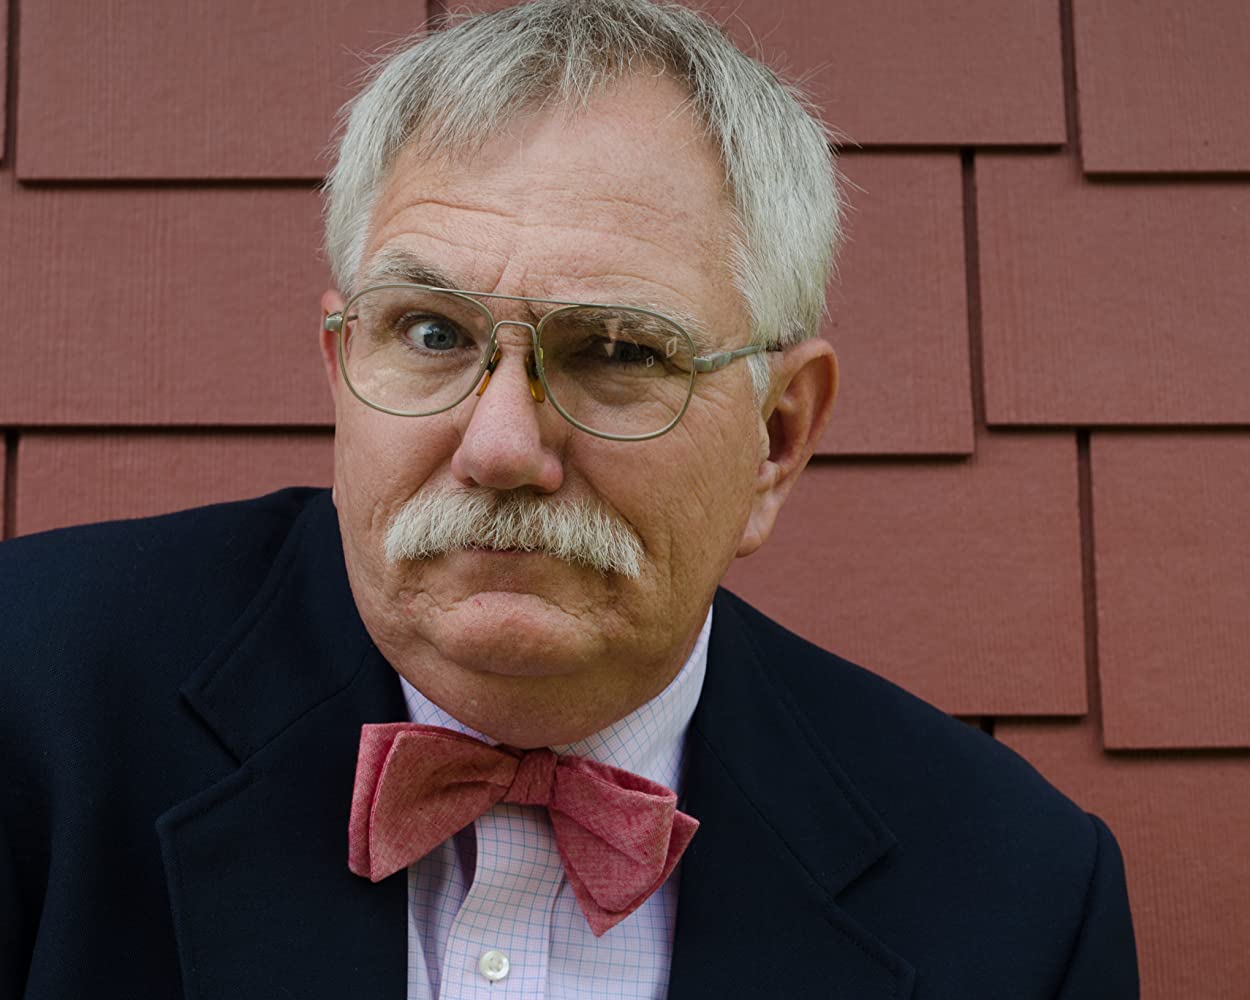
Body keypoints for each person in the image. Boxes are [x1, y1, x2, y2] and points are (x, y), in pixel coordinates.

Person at [0, 1, 1138, 997]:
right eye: (431, 333)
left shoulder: (1018, 891)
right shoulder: (28, 703)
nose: (500, 446)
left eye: (617, 350)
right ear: (342, 371)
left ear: (776, 438)